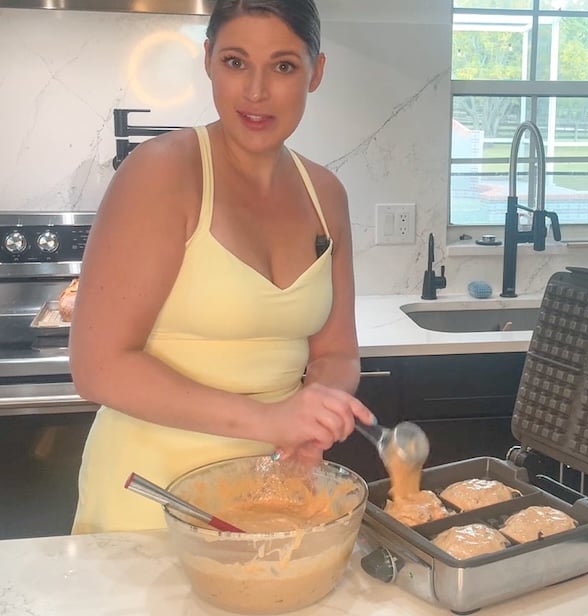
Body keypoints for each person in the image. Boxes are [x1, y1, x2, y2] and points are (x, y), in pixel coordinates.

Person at [69, 0, 373, 534]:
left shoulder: (326, 193)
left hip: (274, 491)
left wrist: (316, 411)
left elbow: (337, 351)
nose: (256, 91)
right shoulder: (162, 173)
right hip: (151, 495)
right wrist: (271, 420)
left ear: (316, 72)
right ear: (208, 60)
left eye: (283, 66)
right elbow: (97, 367)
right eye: (235, 62)